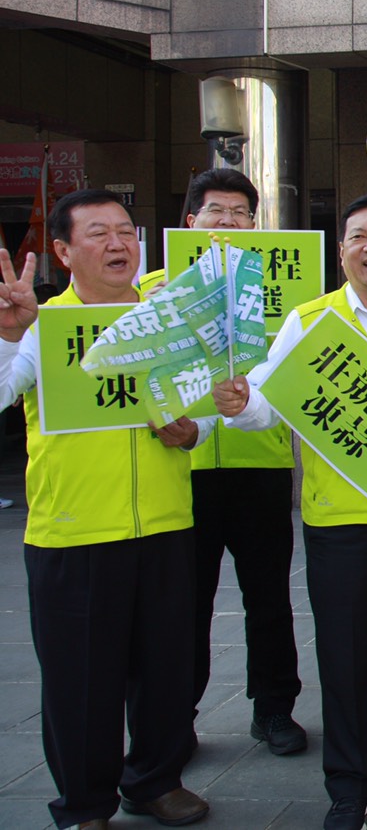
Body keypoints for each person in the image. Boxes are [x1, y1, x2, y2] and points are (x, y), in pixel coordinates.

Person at [215, 193, 367, 830]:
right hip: (338, 522)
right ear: (342, 249)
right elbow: (268, 404)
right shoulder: (310, 321)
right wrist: (239, 404)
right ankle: (350, 780)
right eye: (358, 236)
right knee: (345, 657)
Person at [0, 189, 212, 829]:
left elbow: (206, 408)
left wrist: (192, 432)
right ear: (63, 252)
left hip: (165, 524)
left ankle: (154, 781)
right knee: (80, 680)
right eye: (98, 233)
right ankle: (84, 804)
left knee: (166, 669)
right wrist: (8, 336)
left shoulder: (166, 322)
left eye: (125, 231)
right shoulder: (43, 327)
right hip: (74, 532)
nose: (118, 244)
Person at [136, 169, 308, 760]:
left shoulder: (278, 291)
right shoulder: (150, 291)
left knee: (269, 598)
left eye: (240, 214)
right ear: (190, 221)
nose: (228, 223)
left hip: (259, 465)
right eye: (216, 211)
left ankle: (274, 708)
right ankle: (176, 716)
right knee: (183, 603)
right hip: (179, 470)